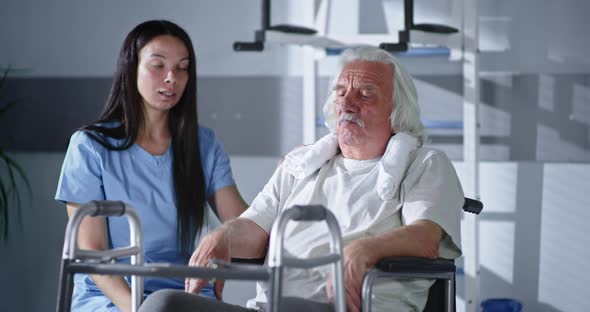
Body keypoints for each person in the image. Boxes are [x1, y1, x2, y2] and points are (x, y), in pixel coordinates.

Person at [139, 46, 464, 312]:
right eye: (340, 92)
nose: (346, 103)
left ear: (397, 113)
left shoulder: (424, 164)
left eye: (365, 94)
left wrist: (364, 250)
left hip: (352, 307)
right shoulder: (302, 163)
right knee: (162, 304)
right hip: (273, 307)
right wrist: (223, 235)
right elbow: (254, 229)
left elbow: (425, 239)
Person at [55, 20, 247, 312]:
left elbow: (243, 221)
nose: (172, 77)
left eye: (182, 67)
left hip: (183, 293)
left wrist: (287, 183)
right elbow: (91, 251)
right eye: (158, 66)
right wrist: (136, 309)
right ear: (131, 69)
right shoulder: (90, 147)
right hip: (111, 298)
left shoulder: (203, 144)